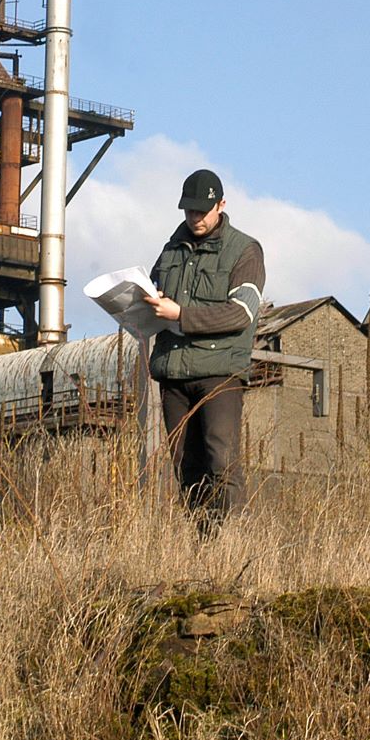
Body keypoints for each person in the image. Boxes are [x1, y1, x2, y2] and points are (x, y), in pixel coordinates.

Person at [145, 168, 265, 520]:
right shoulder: (170, 251)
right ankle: (203, 544)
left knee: (221, 461)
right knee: (186, 468)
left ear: (221, 204)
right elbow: (154, 295)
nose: (195, 218)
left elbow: (240, 314)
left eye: (202, 210)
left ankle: (231, 545)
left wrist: (180, 314)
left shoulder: (245, 251)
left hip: (220, 373)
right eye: (189, 210)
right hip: (173, 373)